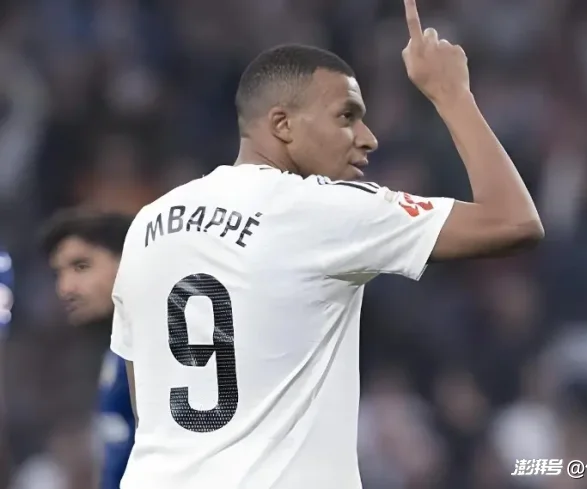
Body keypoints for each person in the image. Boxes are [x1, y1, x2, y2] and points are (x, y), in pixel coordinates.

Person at [111, 0, 544, 487]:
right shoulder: (321, 209)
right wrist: (450, 94)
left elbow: (146, 400)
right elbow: (513, 221)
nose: (368, 137)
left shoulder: (148, 225)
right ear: (282, 125)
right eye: (346, 117)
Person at [40, 210, 135, 489]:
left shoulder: (163, 349)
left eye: (81, 266)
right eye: (58, 274)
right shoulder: (117, 351)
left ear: (128, 260)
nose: (64, 288)